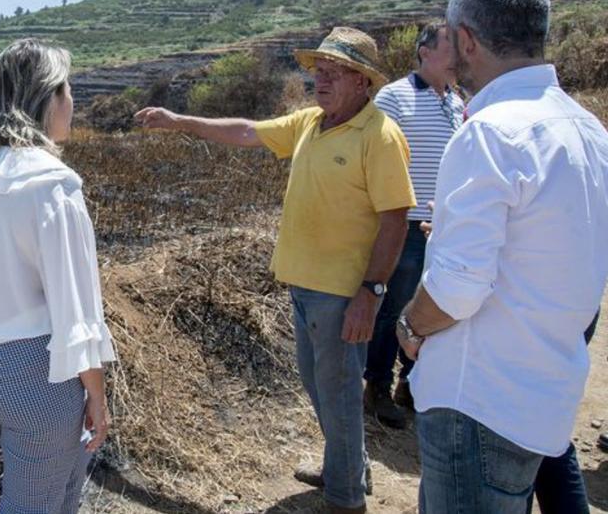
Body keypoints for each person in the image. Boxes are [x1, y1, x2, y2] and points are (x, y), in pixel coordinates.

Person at [135, 27, 415, 514]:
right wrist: (180, 120)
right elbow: (246, 131)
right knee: (319, 385)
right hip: (303, 284)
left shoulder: (380, 136)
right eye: (318, 72)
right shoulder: (311, 122)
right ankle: (346, 466)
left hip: (342, 293)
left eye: (333, 73)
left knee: (339, 392)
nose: (319, 82)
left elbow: (396, 220)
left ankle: (347, 498)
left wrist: (371, 293)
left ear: (363, 82)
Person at [397, 0, 608, 513]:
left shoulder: (490, 131)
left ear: (465, 39)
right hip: (543, 395)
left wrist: (409, 325)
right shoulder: (589, 130)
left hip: (479, 401)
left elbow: (458, 290)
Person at [0, 38, 116, 513]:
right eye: (67, 89)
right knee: (34, 501)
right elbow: (76, 311)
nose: (74, 101)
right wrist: (97, 395)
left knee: (60, 479)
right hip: (35, 371)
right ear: (45, 98)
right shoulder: (52, 186)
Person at [363, 23, 465, 428]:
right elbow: (374, 158)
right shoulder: (395, 97)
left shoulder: (458, 102)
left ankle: (412, 384)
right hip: (404, 225)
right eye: (448, 48)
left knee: (432, 309)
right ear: (424, 51)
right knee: (392, 309)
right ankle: (377, 388)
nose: (457, 56)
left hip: (444, 229)